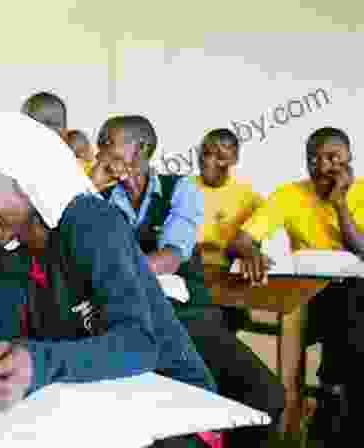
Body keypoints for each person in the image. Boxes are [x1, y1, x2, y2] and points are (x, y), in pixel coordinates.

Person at [0, 112, 216, 448]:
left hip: (177, 412)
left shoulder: (91, 223)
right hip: (103, 403)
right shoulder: (11, 248)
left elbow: (138, 345)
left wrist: (34, 363)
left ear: (28, 181)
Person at [91, 115, 284, 448]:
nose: (101, 150)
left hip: (189, 316)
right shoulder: (95, 197)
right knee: (168, 419)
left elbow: (171, 256)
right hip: (131, 321)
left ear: (142, 149)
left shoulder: (182, 188)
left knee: (265, 396)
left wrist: (116, 268)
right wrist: (91, 187)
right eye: (100, 142)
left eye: (110, 141)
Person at [228, 127, 364, 446]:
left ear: (349, 159)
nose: (322, 166)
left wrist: (340, 204)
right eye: (313, 159)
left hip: (355, 298)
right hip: (311, 298)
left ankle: (335, 405)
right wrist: (250, 250)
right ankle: (328, 403)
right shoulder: (290, 194)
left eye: (332, 158)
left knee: (354, 313)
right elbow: (242, 241)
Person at [193, 128, 264, 332]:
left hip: (227, 281)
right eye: (205, 154)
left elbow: (253, 246)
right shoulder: (181, 188)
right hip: (189, 276)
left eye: (220, 157)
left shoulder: (250, 199)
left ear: (234, 160)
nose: (209, 161)